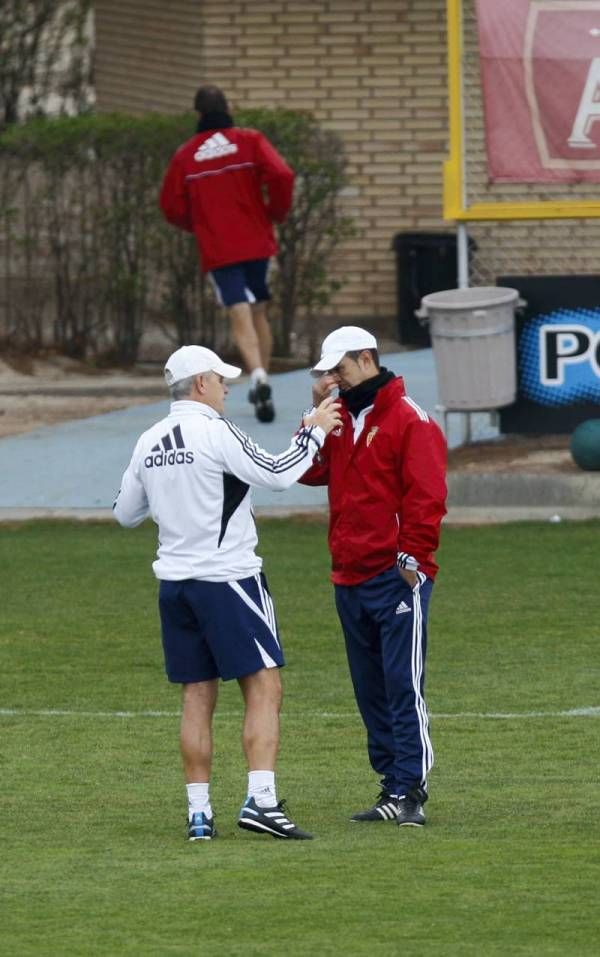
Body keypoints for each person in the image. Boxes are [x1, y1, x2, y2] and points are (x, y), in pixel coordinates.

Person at [113, 344, 341, 841]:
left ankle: (199, 814)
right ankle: (261, 801)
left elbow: (124, 512)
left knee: (197, 695)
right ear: (200, 384)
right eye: (221, 379)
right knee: (264, 686)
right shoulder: (216, 431)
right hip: (229, 581)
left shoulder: (150, 439)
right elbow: (279, 475)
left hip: (175, 586)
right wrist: (316, 431)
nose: (227, 387)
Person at [300, 326, 447, 827]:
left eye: (339, 369)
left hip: (394, 576)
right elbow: (308, 471)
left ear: (367, 359)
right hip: (348, 575)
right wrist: (314, 415)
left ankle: (411, 790)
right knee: (370, 688)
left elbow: (427, 497)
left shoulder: (410, 420)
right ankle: (391, 784)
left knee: (402, 684)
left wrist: (412, 563)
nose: (333, 380)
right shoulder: (339, 418)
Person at [159, 85, 295, 424]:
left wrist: (199, 224)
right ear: (227, 109)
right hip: (257, 240)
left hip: (220, 247)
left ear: (198, 115)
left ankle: (259, 374)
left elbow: (170, 206)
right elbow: (282, 174)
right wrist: (274, 212)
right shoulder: (250, 141)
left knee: (238, 311)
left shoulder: (187, 155)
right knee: (259, 310)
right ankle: (262, 379)